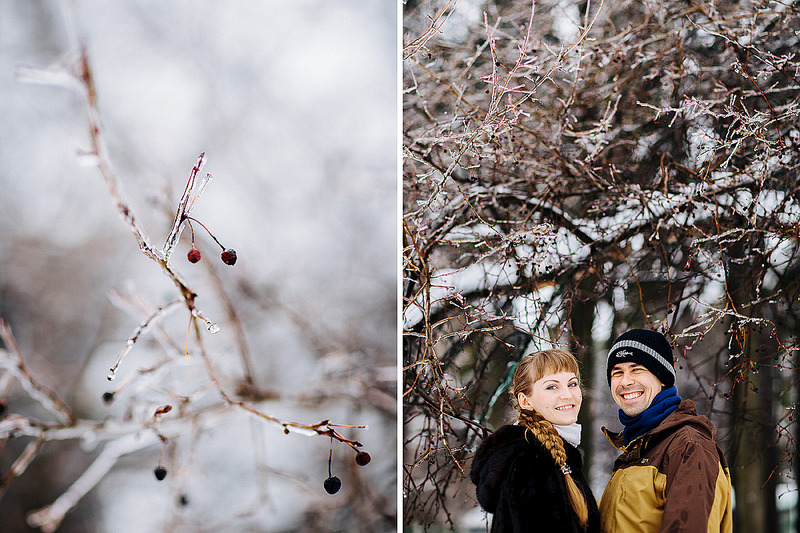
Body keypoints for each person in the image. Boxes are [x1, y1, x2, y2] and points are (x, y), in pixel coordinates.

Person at [599, 328, 733, 532]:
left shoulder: (688, 447)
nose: (625, 381)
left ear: (662, 378)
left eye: (637, 369)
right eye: (617, 372)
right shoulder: (638, 448)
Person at [470, 349, 601, 533]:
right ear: (525, 401)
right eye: (552, 387)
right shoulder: (532, 461)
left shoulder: (554, 455)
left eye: (572, 384)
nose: (567, 395)